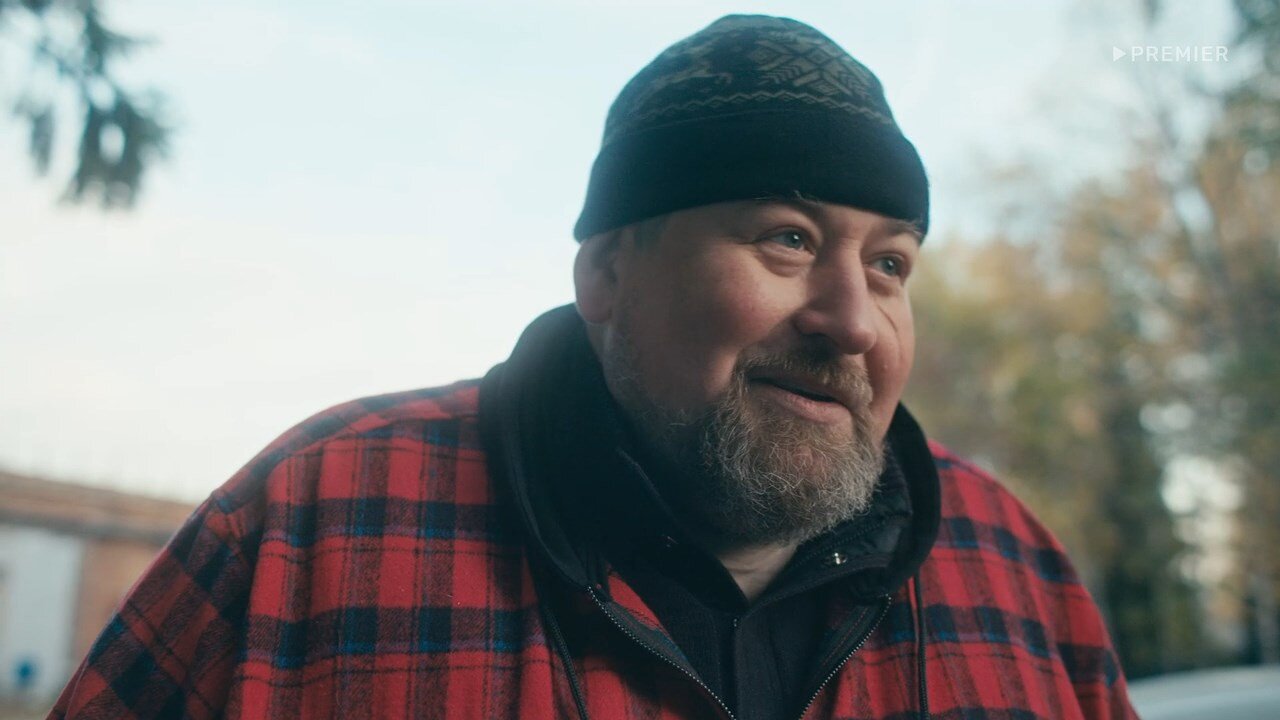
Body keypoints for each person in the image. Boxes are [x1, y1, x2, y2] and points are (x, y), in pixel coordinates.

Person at [52, 15, 1137, 720]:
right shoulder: (315, 523)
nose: (852, 321)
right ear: (609, 273)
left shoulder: (1014, 572)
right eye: (787, 239)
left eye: (890, 263)